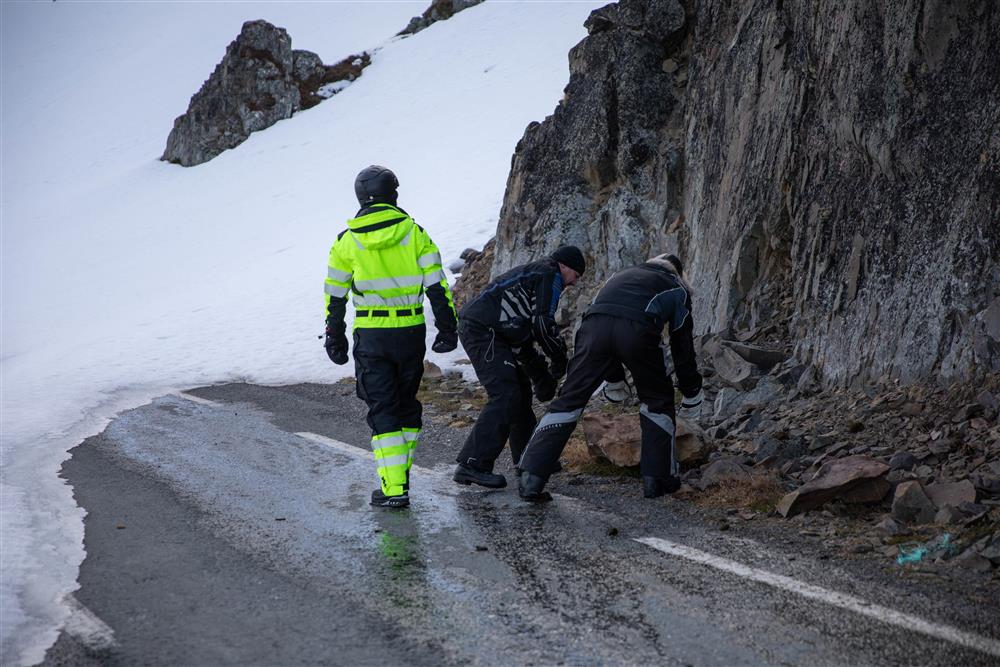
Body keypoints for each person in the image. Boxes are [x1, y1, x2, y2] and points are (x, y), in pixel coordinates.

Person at [517, 253, 703, 502]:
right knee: (657, 400)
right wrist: (691, 390)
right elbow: (682, 345)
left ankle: (531, 476)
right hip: (639, 331)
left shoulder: (619, 276)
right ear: (677, 272)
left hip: (592, 331)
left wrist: (614, 380)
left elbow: (600, 318)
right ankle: (657, 479)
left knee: (569, 401)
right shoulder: (677, 288)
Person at [324, 165, 458, 508]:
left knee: (382, 408)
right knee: (406, 403)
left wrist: (334, 337)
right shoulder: (415, 233)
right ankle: (400, 475)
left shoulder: (346, 241)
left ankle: (394, 488)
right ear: (392, 195)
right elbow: (438, 286)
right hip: (411, 334)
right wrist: (447, 328)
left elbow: (335, 296)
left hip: (372, 335)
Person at [453, 246, 587, 489]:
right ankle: (471, 464)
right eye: (576, 276)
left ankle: (529, 460)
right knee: (506, 393)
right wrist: (559, 361)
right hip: (482, 330)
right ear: (565, 266)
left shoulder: (535, 278)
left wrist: (541, 376)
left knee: (521, 392)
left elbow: (522, 339)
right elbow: (542, 325)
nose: (574, 284)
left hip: (492, 331)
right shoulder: (550, 275)